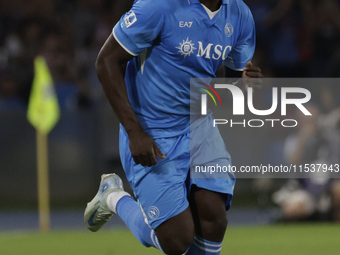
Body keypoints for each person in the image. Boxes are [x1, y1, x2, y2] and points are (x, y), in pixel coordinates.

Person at [84, 0, 262, 254]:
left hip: (200, 124)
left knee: (214, 219)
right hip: (152, 129)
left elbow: (230, 83)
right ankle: (113, 197)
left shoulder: (240, 14)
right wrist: (135, 132)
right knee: (177, 239)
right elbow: (106, 62)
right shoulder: (159, 6)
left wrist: (245, 85)